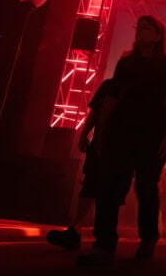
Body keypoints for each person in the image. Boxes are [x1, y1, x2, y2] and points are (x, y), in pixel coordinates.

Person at [76, 15, 166, 266]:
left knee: (146, 184)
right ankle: (104, 245)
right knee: (109, 185)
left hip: (152, 133)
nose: (142, 32)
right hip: (120, 131)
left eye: (148, 28)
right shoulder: (126, 64)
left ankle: (148, 236)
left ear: (158, 36)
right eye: (140, 28)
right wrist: (99, 134)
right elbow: (110, 101)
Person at [46, 78, 117, 250]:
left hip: (119, 149)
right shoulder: (110, 85)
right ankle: (76, 230)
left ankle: (102, 238)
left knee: (107, 190)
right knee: (91, 186)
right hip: (100, 145)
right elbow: (95, 112)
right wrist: (85, 133)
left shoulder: (142, 88)